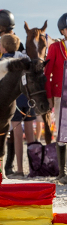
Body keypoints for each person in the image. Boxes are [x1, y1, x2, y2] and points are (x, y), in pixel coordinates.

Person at [0, 9, 25, 175]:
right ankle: (6, 165)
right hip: (7, 93)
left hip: (7, 94)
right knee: (7, 130)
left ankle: (7, 165)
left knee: (9, 129)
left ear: (1, 26)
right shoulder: (1, 41)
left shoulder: (9, 43)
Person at [0, 34, 35, 178]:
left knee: (17, 135)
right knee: (31, 134)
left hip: (15, 100)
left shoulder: (3, 61)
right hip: (28, 98)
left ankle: (20, 169)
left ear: (3, 47)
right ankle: (34, 168)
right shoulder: (24, 58)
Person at [45, 13, 67, 184]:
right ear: (62, 30)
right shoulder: (55, 48)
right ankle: (62, 172)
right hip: (61, 96)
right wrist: (49, 96)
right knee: (62, 133)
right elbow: (47, 73)